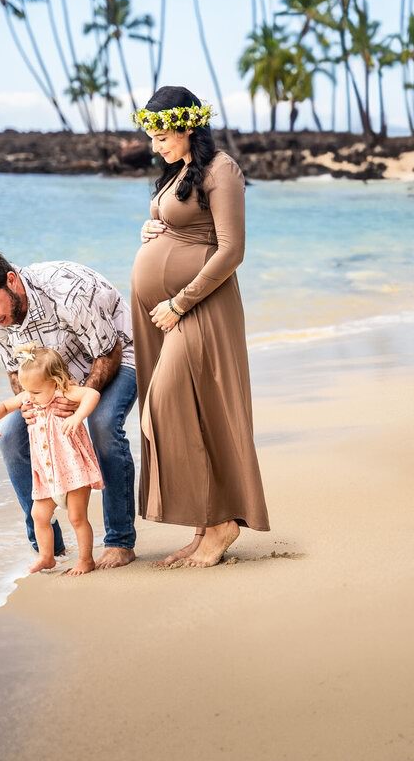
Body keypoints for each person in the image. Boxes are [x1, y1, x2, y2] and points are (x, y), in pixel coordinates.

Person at [130, 85, 270, 568]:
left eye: (162, 135)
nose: (155, 145)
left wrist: (180, 302)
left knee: (167, 405)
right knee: (187, 412)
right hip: (167, 310)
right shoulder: (181, 171)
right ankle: (205, 524)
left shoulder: (221, 169)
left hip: (199, 307)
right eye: (151, 136)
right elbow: (184, 227)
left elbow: (232, 250)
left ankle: (223, 524)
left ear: (188, 125)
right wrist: (153, 228)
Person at [0, 247, 137, 570]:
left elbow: (108, 352)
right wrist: (33, 410)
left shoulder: (68, 292)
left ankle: (120, 540)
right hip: (49, 381)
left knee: (103, 425)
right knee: (11, 436)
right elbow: (14, 371)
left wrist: (78, 400)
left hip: (115, 358)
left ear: (12, 280)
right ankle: (48, 547)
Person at [0, 343, 104, 576]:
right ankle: (47, 557)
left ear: (55, 382)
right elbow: (4, 405)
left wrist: (78, 416)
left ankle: (86, 560)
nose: (29, 399)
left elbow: (92, 394)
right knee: (39, 516)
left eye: (35, 392)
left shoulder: (63, 392)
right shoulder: (30, 398)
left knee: (77, 518)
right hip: (46, 474)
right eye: (27, 392)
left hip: (72, 470)